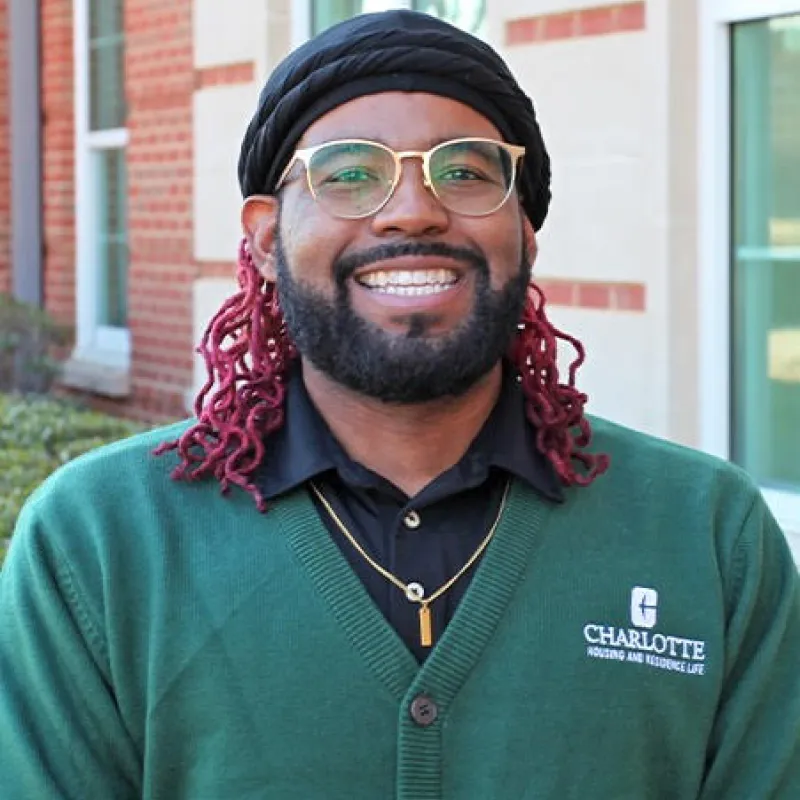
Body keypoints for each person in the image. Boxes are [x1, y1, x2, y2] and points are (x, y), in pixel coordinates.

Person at [1, 9, 798, 799]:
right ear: (263, 238)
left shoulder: (706, 533)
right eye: (349, 173)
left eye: (464, 172)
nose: (413, 209)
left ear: (524, 229)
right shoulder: (100, 541)